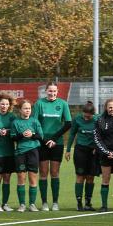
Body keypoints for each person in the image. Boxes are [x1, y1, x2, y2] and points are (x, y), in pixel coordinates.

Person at [32, 82, 72, 211]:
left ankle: (55, 202)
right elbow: (34, 123)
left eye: (54, 91)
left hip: (57, 143)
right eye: (50, 91)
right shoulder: (39, 104)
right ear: (46, 91)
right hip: (42, 143)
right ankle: (44, 203)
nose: (52, 93)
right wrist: (44, 140)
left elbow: (68, 124)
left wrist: (54, 139)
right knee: (43, 173)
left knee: (55, 172)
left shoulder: (63, 104)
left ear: (57, 91)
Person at [65, 101, 99, 211]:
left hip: (93, 152)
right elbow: (72, 134)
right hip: (80, 150)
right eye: (85, 115)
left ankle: (88, 203)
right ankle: (79, 202)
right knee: (80, 176)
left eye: (88, 116)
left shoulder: (97, 120)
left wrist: (96, 147)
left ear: (93, 114)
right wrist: (68, 150)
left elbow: (101, 135)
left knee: (90, 177)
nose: (86, 117)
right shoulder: (77, 119)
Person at [10, 100, 42, 211]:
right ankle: (22, 204)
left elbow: (40, 136)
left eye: (29, 108)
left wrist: (32, 135)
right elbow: (13, 137)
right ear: (20, 110)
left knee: (33, 177)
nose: (27, 110)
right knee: (21, 177)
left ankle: (32, 204)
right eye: (25, 108)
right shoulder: (15, 122)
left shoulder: (35, 121)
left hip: (33, 152)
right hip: (20, 152)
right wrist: (21, 135)